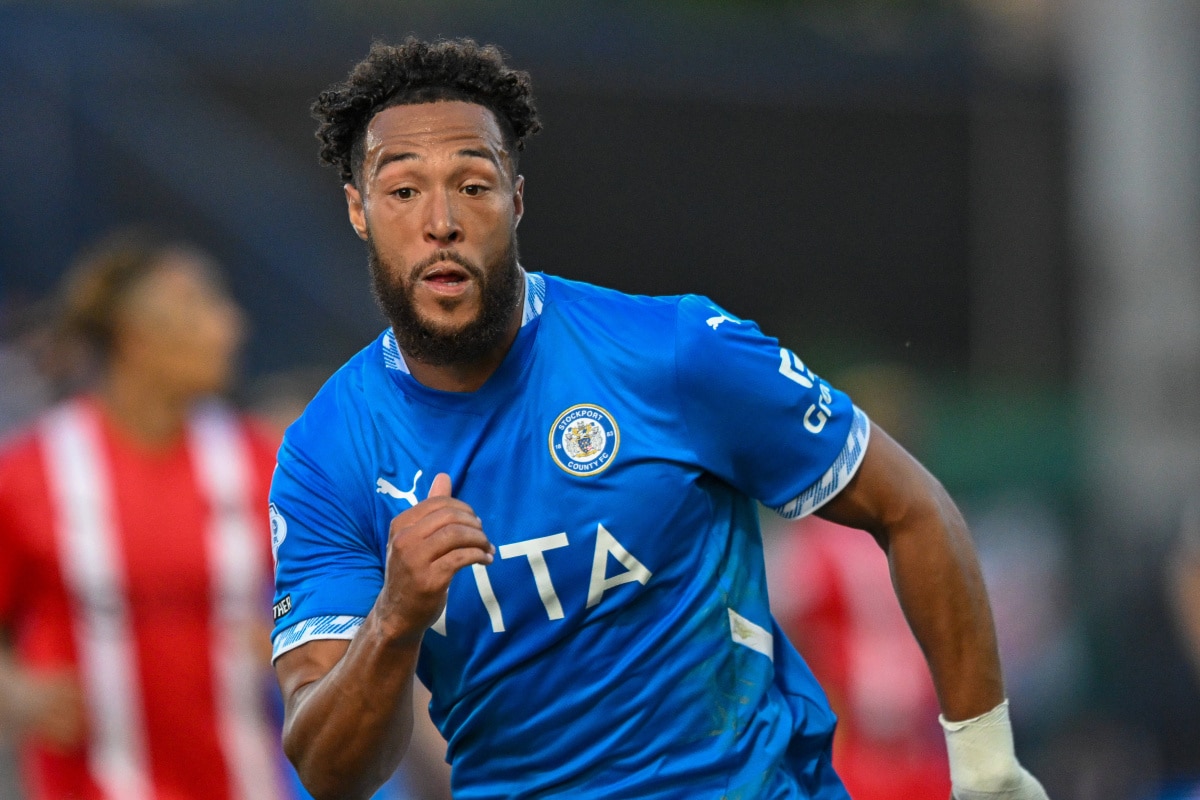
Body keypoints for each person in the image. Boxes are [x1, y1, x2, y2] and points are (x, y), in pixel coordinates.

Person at [270, 38, 1051, 800]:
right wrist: (396, 617)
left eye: (473, 185)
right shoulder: (328, 453)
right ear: (359, 210)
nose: (441, 220)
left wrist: (987, 767)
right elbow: (329, 770)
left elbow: (910, 507)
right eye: (403, 190)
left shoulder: (674, 353)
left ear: (516, 197)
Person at [0, 230, 290, 799]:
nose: (231, 326)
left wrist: (297, 636)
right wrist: (15, 693)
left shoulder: (262, 462)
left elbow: (338, 604)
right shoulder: (33, 475)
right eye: (201, 305)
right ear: (135, 338)